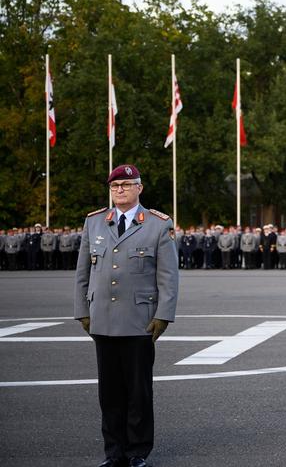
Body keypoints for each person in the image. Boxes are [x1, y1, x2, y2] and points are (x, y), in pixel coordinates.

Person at [73, 164, 179, 467]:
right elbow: (83, 271)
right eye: (115, 185)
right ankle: (114, 452)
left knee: (138, 392)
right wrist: (82, 310)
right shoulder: (94, 222)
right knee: (109, 394)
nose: (120, 189)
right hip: (102, 319)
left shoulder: (158, 224)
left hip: (139, 320)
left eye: (126, 184)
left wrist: (164, 315)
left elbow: (168, 276)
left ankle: (137, 451)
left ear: (139, 188)